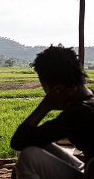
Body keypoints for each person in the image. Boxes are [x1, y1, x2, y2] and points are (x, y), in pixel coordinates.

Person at [10, 45, 94, 179]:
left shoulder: (80, 113)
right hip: (88, 168)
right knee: (37, 144)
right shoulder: (89, 101)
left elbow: (18, 141)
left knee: (28, 157)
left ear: (50, 85)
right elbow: (29, 140)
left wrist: (45, 105)